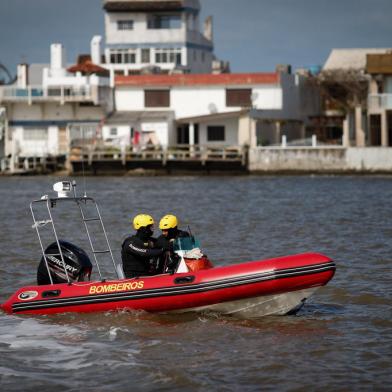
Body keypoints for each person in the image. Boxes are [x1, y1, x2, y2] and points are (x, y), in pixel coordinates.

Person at [121, 214, 166, 278]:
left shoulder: (151, 240)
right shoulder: (130, 243)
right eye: (150, 227)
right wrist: (162, 250)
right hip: (134, 278)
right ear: (143, 228)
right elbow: (144, 253)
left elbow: (162, 241)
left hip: (148, 275)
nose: (152, 229)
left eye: (152, 227)